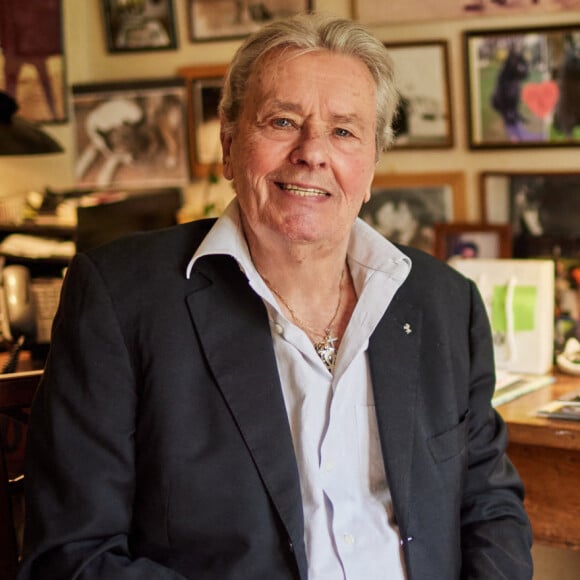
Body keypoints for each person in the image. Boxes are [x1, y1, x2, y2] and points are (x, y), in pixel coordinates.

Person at [18, 13, 533, 580]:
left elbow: (490, 508)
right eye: (283, 121)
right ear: (229, 142)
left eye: (343, 131)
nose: (312, 152)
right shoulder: (120, 298)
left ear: (373, 166)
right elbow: (72, 555)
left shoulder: (445, 302)